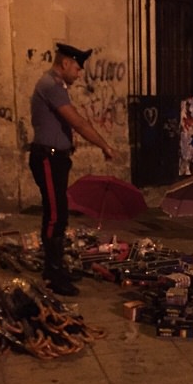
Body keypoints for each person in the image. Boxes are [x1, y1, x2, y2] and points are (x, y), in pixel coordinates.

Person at [29, 42, 116, 296]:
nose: (79, 73)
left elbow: (63, 123)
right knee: (56, 215)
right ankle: (53, 274)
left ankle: (54, 269)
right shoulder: (52, 86)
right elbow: (77, 121)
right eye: (77, 68)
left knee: (57, 213)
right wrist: (105, 146)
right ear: (65, 63)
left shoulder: (55, 86)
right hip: (47, 159)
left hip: (56, 158)